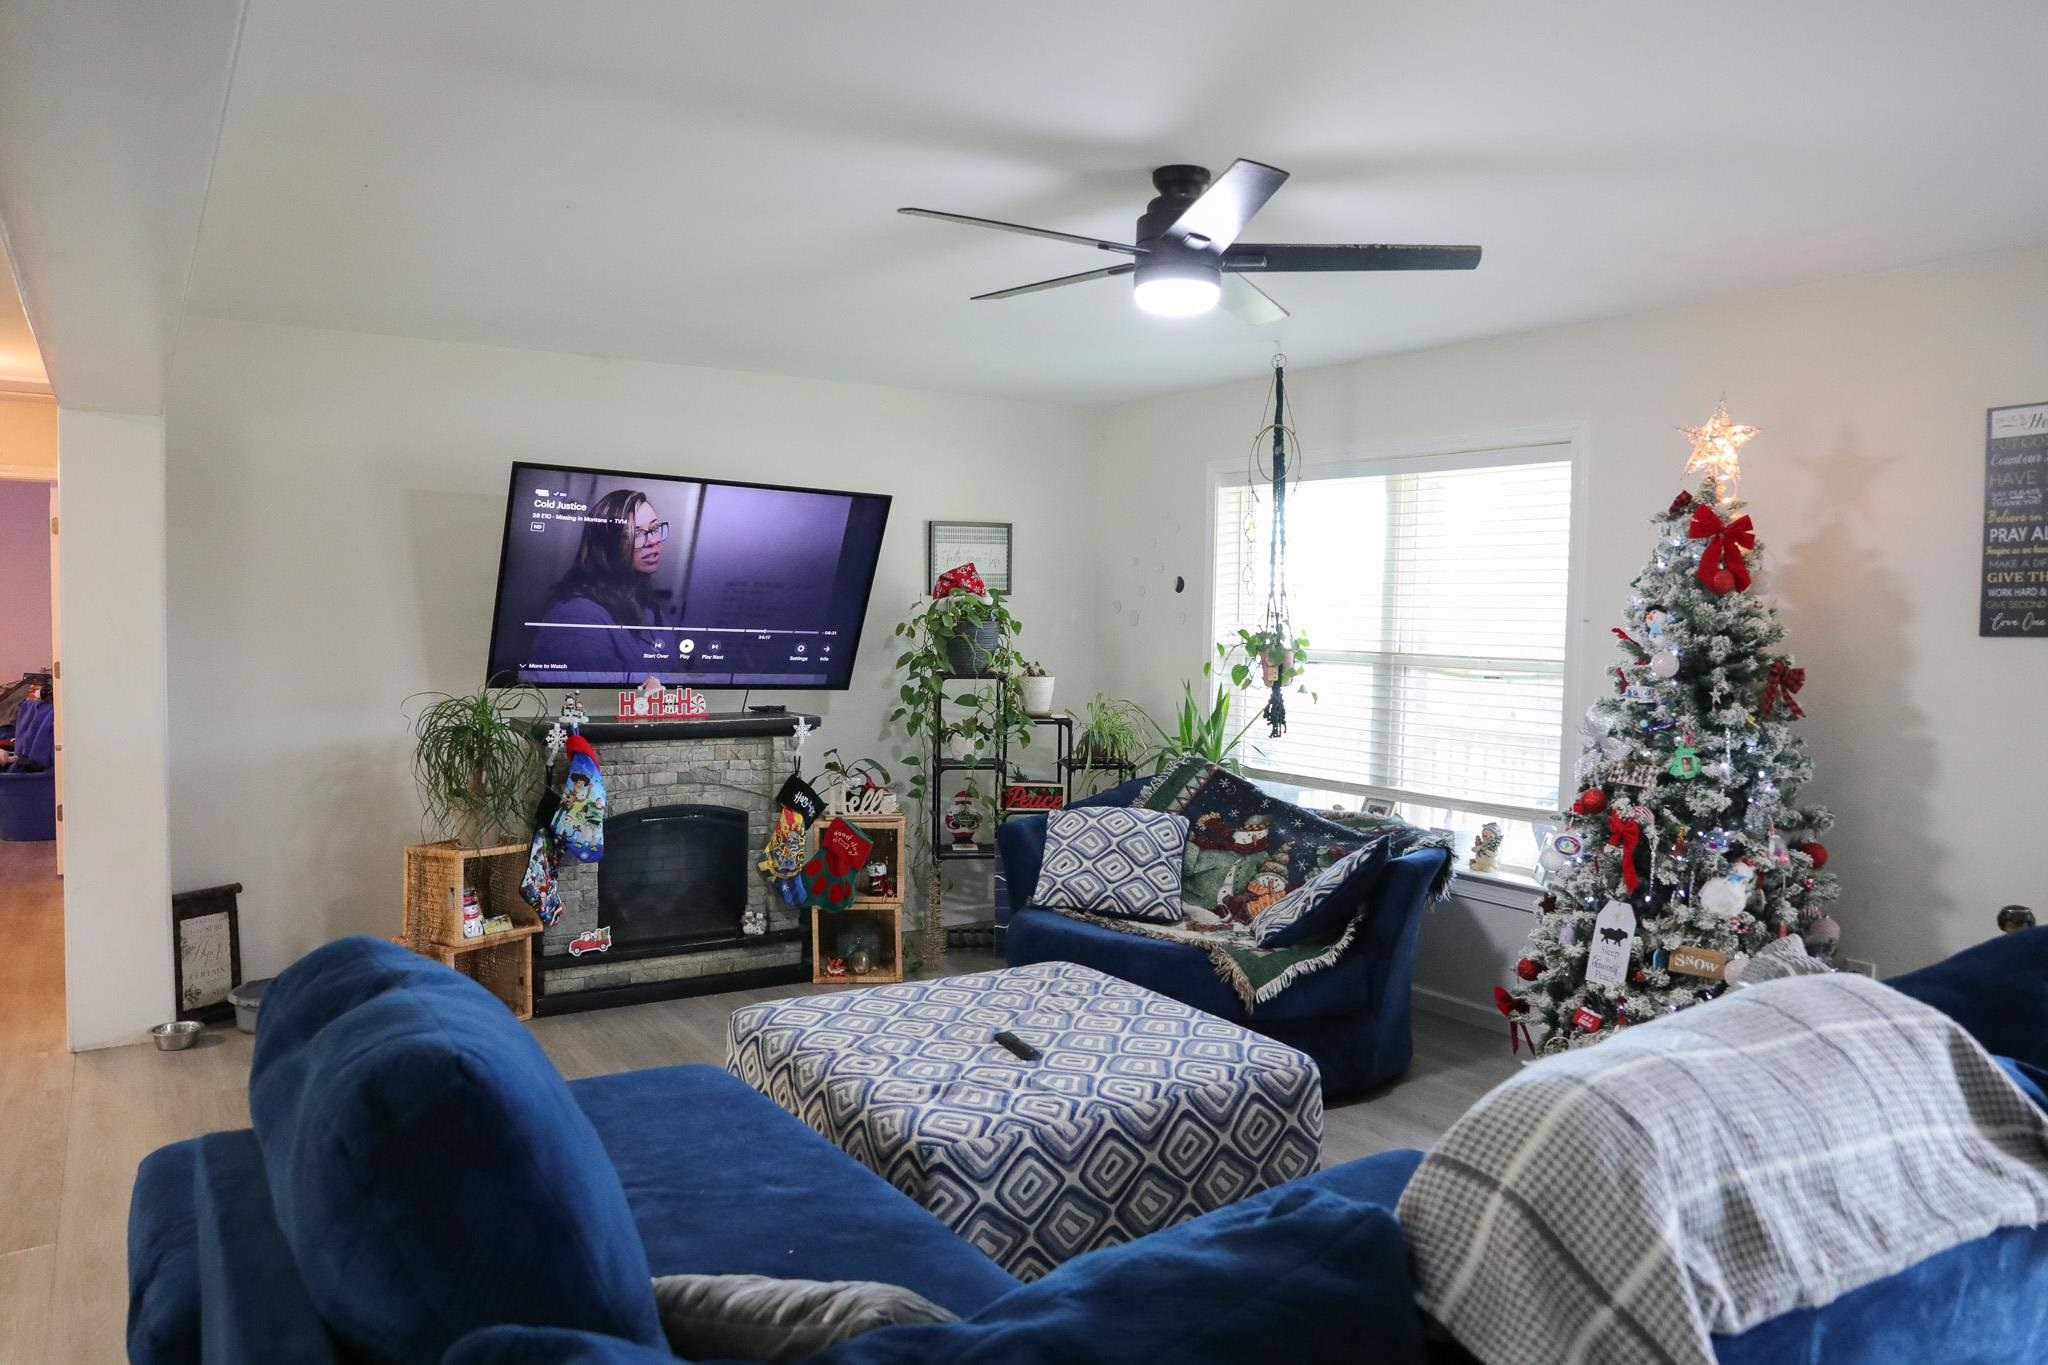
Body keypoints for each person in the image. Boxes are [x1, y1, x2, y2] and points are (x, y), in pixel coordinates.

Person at [526, 488, 672, 677]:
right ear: (608, 545)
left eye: (654, 528)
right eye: (635, 534)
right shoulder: (577, 616)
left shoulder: (649, 608)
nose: (652, 541)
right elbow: (582, 700)